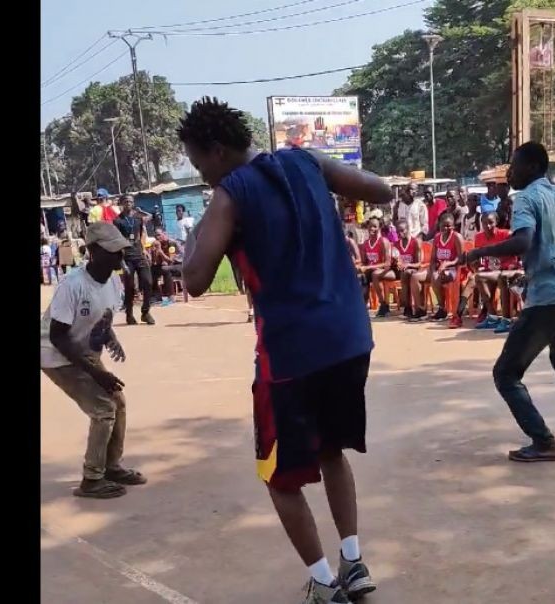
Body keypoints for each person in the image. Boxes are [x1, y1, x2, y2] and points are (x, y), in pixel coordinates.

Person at [178, 97, 388, 603]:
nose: (200, 173)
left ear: (217, 149)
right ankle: (353, 561)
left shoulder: (230, 193)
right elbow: (380, 189)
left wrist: (209, 218)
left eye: (197, 161)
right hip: (350, 337)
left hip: (292, 352)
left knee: (279, 477)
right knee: (332, 450)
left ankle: (322, 582)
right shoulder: (308, 160)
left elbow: (195, 278)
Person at [458, 142, 555, 462]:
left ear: (531, 167)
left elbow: (524, 240)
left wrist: (478, 252)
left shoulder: (526, 198)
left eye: (513, 166)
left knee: (507, 374)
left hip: (547, 299)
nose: (509, 172)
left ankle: (543, 442)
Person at [40, 222, 148, 498]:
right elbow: (58, 337)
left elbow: (103, 317)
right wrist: (96, 372)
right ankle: (92, 479)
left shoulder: (112, 281)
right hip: (54, 354)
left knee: (118, 400)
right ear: (92, 251)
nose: (118, 257)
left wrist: (111, 338)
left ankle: (111, 465)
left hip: (80, 350)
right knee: (103, 408)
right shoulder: (73, 285)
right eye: (111, 251)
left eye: (121, 250)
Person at [451, 212, 520, 329]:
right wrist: (476, 265)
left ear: (496, 222)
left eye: (491, 223)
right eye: (484, 223)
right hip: (489, 270)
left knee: (482, 278)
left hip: (505, 270)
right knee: (474, 278)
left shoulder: (506, 235)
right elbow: (476, 258)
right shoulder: (479, 237)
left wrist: (504, 263)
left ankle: (490, 314)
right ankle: (459, 314)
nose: (488, 226)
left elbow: (516, 256)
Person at [113, 195, 157, 325]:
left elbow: (142, 233)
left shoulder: (138, 219)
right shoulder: (117, 221)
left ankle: (145, 312)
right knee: (130, 287)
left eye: (131, 202)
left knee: (148, 282)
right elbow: (116, 240)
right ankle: (129, 314)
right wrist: (121, 260)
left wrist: (144, 250)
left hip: (139, 254)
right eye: (126, 201)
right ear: (121, 203)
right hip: (126, 256)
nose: (128, 204)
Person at [359, 216, 395, 318]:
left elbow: (387, 263)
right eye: (370, 226)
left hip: (388, 271)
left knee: (375, 274)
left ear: (379, 228)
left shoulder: (383, 241)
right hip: (372, 271)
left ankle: (384, 305)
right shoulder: (366, 243)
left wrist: (369, 267)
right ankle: (362, 306)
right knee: (361, 276)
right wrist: (359, 267)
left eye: (375, 226)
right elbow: (364, 262)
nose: (372, 229)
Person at [392, 221, 422, 318]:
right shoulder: (396, 244)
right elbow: (396, 260)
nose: (400, 234)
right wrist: (396, 263)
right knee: (403, 273)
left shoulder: (415, 242)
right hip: (402, 271)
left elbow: (419, 264)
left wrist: (408, 265)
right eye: (398, 232)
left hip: (414, 269)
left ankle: (408, 307)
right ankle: (406, 307)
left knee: (406, 273)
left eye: (402, 231)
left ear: (408, 229)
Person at [150, 229, 182, 306]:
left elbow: (171, 261)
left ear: (164, 234)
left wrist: (161, 253)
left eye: (159, 234)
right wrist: (154, 253)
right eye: (156, 235)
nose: (157, 237)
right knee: (151, 270)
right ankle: (156, 296)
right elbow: (155, 262)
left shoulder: (171, 243)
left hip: (178, 265)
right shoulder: (158, 244)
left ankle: (171, 296)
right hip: (166, 267)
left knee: (166, 269)